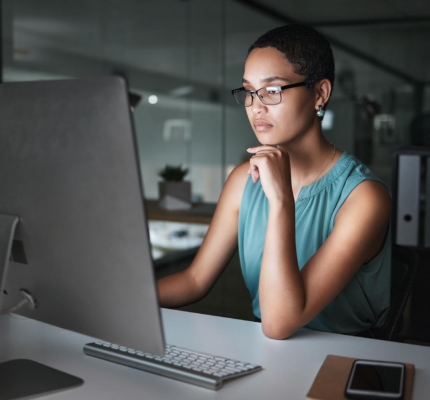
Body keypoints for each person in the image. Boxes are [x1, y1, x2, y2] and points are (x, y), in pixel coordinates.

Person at [156, 24, 391, 340]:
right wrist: (117, 298)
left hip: (344, 362)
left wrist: (281, 201)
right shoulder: (243, 179)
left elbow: (279, 323)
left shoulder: (364, 197)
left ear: (320, 93)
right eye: (249, 91)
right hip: (267, 356)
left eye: (273, 90)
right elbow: (195, 280)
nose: (255, 106)